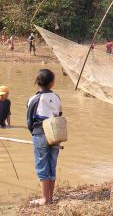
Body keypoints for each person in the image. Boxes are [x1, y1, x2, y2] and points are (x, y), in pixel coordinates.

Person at [27, 69, 62, 205]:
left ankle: (44, 199)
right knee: (52, 165)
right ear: (52, 83)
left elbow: (29, 121)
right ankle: (50, 197)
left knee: (42, 165)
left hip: (40, 133)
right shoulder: (57, 97)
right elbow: (59, 115)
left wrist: (34, 133)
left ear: (38, 82)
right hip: (55, 133)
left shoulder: (33, 99)